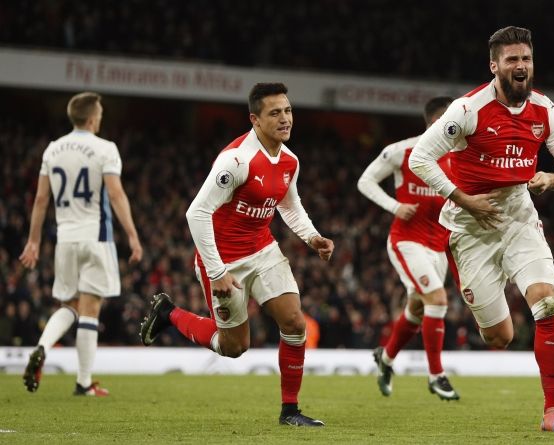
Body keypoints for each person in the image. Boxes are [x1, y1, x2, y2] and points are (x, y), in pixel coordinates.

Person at [409, 26, 554, 432]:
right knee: (499, 337)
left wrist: (552, 179)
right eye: (512, 59)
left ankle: (553, 411)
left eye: (526, 58)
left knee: (546, 302)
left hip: (518, 217)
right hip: (470, 227)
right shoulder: (468, 109)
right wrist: (464, 199)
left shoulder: (546, 112)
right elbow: (420, 158)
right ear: (494, 66)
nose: (521, 65)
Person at [139, 82, 334, 427]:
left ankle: (290, 411)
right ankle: (168, 313)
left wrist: (311, 236)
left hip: (262, 249)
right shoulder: (236, 160)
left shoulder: (290, 161)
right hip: (224, 259)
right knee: (233, 346)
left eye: (288, 110)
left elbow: (289, 204)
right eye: (275, 113)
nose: (285, 119)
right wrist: (216, 272)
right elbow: (196, 213)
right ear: (255, 120)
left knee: (294, 322)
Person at [19, 91, 143, 396]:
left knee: (70, 305)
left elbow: (41, 199)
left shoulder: (53, 149)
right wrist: (132, 234)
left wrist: (33, 241)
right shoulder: (105, 149)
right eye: (99, 113)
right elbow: (115, 194)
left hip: (65, 240)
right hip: (95, 237)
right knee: (90, 308)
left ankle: (42, 346)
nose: (101, 117)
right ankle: (84, 382)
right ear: (91, 118)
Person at [357, 97, 459, 401]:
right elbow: (365, 181)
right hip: (406, 241)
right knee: (437, 300)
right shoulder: (402, 151)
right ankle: (436, 376)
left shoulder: (458, 158)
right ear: (437, 121)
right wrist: (395, 206)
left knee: (417, 308)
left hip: (438, 247)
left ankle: (386, 358)